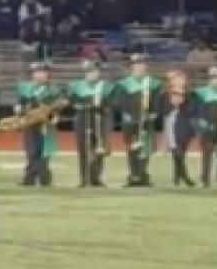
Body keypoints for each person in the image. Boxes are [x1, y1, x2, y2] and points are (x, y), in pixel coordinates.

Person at [115, 54, 162, 188]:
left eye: (142, 65)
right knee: (132, 148)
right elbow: (120, 102)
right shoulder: (124, 84)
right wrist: (126, 115)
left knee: (145, 149)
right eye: (137, 65)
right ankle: (133, 175)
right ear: (132, 67)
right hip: (130, 122)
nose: (140, 67)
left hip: (147, 120)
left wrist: (154, 114)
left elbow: (158, 102)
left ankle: (143, 175)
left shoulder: (154, 84)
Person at [67, 59, 114, 188]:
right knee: (84, 149)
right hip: (83, 119)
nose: (92, 74)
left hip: (100, 119)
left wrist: (104, 107)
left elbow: (112, 102)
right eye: (89, 72)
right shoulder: (75, 86)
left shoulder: (106, 86)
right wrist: (80, 106)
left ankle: (96, 177)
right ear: (85, 73)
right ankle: (84, 177)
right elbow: (70, 103)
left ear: (99, 72)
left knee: (100, 148)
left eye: (94, 71)